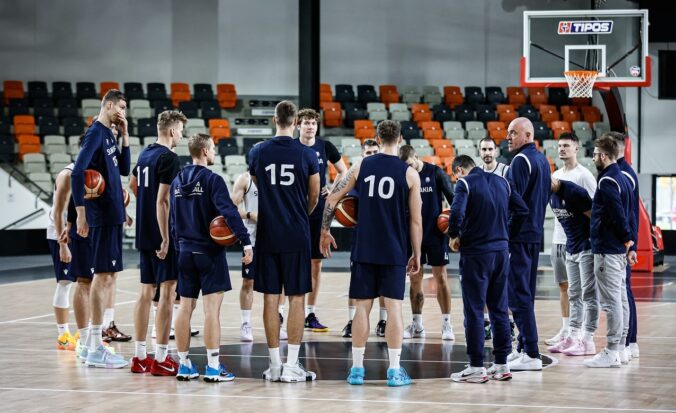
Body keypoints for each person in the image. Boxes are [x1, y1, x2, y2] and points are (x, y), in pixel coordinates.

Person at [320, 120, 423, 387]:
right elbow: (415, 221)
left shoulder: (361, 165)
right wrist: (417, 254)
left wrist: (324, 231)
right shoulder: (410, 173)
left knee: (362, 310)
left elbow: (331, 198)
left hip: (364, 248)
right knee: (394, 309)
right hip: (393, 249)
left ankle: (356, 370)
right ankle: (394, 370)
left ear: (377, 139)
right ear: (399, 140)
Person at [171, 133, 252, 382]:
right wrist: (245, 241)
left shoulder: (177, 180)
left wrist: (177, 248)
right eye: (213, 148)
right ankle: (214, 367)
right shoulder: (213, 179)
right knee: (210, 312)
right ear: (205, 151)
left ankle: (184, 365)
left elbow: (172, 219)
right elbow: (228, 211)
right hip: (208, 252)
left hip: (184, 251)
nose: (215, 152)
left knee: (184, 308)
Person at [249, 101, 320, 383]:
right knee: (296, 298)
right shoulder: (307, 154)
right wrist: (302, 213)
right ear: (295, 123)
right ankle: (292, 365)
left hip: (267, 232)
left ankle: (275, 365)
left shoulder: (257, 152)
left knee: (269, 298)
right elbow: (314, 195)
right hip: (296, 232)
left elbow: (256, 183)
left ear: (274, 120)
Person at [447, 155, 528, 383]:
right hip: (501, 252)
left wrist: (454, 235)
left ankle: (475, 366)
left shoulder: (464, 183)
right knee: (499, 309)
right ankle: (501, 364)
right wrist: (507, 234)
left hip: (476, 254)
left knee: (474, 310)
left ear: (460, 170)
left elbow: (456, 215)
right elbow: (522, 210)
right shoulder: (502, 181)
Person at [71, 89, 130, 369]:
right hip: (102, 215)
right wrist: (81, 213)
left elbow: (124, 169)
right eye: (120, 107)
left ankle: (93, 345)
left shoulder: (109, 133)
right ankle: (94, 347)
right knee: (101, 277)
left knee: (107, 277)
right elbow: (77, 171)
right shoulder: (96, 132)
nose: (122, 112)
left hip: (114, 214)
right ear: (107, 105)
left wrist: (125, 134)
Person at [129, 110, 187, 376]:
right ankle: (162, 358)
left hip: (143, 232)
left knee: (144, 294)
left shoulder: (145, 154)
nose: (182, 136)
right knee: (167, 293)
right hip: (163, 234)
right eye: (181, 131)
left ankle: (140, 356)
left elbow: (133, 185)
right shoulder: (169, 158)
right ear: (173, 131)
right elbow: (163, 201)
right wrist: (165, 237)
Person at [505, 117, 551, 371]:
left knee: (517, 295)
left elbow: (515, 205)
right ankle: (523, 346)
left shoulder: (520, 161)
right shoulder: (542, 159)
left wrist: (506, 234)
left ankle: (531, 353)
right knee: (526, 293)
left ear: (527, 134)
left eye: (513, 132)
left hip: (519, 236)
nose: (508, 137)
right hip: (533, 234)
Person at [296, 108, 348, 332]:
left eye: (313, 123)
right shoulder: (291, 146)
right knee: (290, 260)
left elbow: (344, 172)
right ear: (298, 125)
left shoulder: (324, 146)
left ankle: (310, 313)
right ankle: (280, 311)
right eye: (306, 123)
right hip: (295, 209)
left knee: (315, 263)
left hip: (318, 210)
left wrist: (333, 190)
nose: (310, 127)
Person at [585, 135, 635, 368]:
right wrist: (629, 242)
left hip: (608, 248)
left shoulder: (607, 181)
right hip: (617, 248)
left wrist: (626, 240)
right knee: (621, 298)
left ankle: (612, 350)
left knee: (612, 300)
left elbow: (617, 215)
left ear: (603, 156)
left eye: (595, 154)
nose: (594, 157)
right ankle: (621, 347)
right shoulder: (622, 177)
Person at [545, 132, 597, 347]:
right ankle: (567, 329)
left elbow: (595, 210)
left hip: (581, 242)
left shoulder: (584, 175)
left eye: (566, 145)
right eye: (559, 146)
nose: (562, 149)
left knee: (584, 289)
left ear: (576, 148)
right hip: (559, 238)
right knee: (565, 287)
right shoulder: (555, 176)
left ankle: (584, 334)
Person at [399, 145, 455, 340]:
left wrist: (454, 230)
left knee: (441, 278)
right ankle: (417, 324)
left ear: (416, 157)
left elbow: (454, 200)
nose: (408, 169)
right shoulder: (403, 175)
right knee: (415, 279)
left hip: (435, 234)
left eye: (409, 164)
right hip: (413, 235)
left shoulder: (435, 172)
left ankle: (447, 324)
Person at [341, 139, 389, 339]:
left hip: (386, 234)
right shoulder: (357, 175)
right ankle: (353, 321)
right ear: (362, 155)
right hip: (363, 237)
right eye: (368, 152)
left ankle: (383, 321)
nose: (371, 155)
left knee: (386, 285)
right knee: (357, 282)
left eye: (374, 151)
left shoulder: (389, 172)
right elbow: (348, 204)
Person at [48, 160, 90, 352]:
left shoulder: (89, 171)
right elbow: (58, 213)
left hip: (76, 232)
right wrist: (62, 244)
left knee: (85, 282)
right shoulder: (67, 175)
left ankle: (84, 334)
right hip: (60, 233)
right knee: (65, 282)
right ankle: (63, 335)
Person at [608, 131, 640, 361]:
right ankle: (629, 342)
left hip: (623, 243)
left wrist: (631, 244)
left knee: (623, 293)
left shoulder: (622, 175)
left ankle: (628, 342)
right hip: (625, 241)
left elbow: (625, 215)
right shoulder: (625, 172)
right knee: (623, 292)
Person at [479, 137, 513, 341]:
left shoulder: (506, 171)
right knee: (483, 283)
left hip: (502, 236)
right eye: (484, 149)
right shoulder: (477, 173)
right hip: (483, 237)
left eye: (490, 149)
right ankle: (485, 323)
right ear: (479, 151)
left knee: (503, 283)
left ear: (496, 150)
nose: (487, 152)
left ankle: (508, 324)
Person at [229, 169, 259, 342]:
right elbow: (231, 209)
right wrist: (249, 215)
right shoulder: (245, 179)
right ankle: (246, 323)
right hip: (252, 238)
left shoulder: (275, 177)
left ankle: (279, 321)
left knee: (280, 282)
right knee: (248, 281)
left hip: (275, 237)